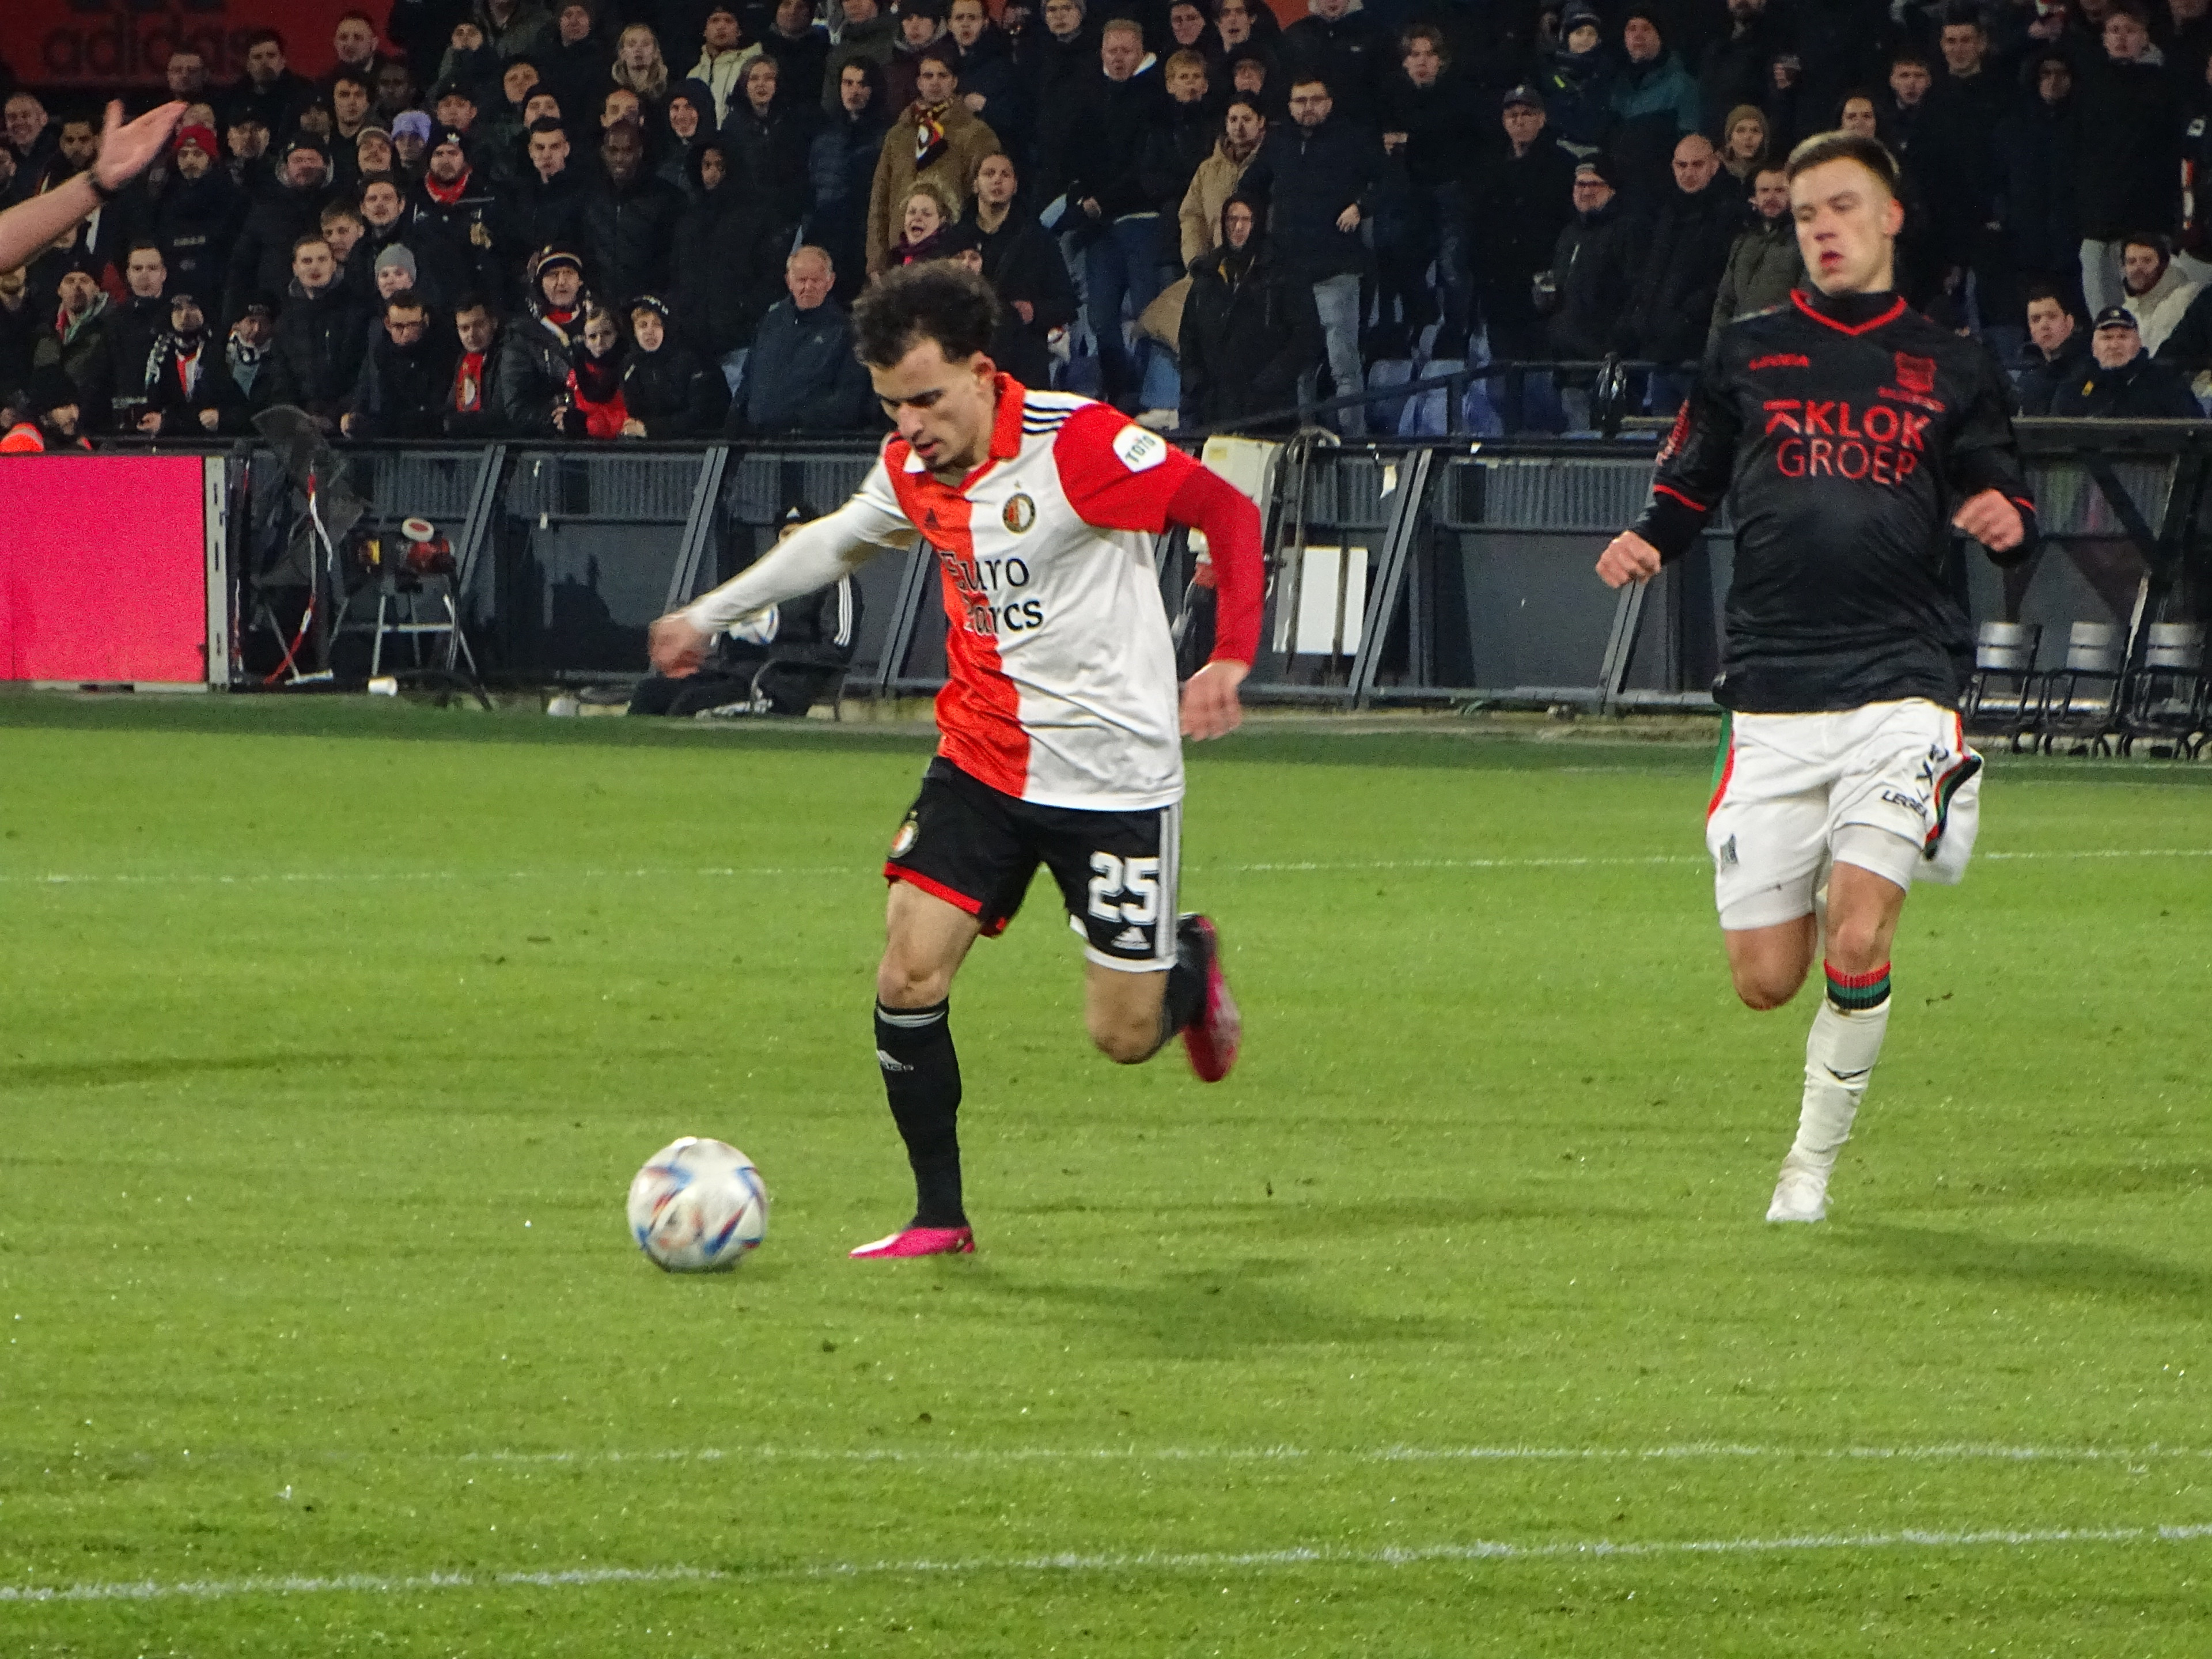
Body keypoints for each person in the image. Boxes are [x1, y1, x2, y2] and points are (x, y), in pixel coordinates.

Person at [649, 262, 1260, 1258]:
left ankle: (1186, 963)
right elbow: (841, 539)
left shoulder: (1083, 445)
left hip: (1111, 780)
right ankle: (940, 1216)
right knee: (907, 975)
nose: (911, 426)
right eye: (893, 406)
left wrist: (1228, 656)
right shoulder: (910, 466)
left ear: (983, 371)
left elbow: (1226, 513)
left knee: (1122, 1036)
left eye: (928, 400)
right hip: (980, 758)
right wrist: (707, 614)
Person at [1595, 131, 2037, 1226]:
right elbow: (1692, 480)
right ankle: (1810, 856)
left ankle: (1807, 1172)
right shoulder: (1747, 353)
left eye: (1842, 207)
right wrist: (1651, 536)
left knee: (1859, 930)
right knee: (1764, 979)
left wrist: (2002, 519)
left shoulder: (1953, 363)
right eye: (1803, 215)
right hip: (1775, 694)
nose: (1822, 229)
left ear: (1892, 219)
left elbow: (2010, 496)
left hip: (1903, 683)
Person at [1237, 74, 1384, 437]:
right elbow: (1249, 188)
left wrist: (1361, 207)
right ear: (1289, 107)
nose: (1308, 107)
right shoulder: (1279, 141)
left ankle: (1353, 441)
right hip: (1291, 271)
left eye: (1315, 100)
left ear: (1329, 103)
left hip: (1337, 268)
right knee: (1297, 366)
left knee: (1343, 366)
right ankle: (1303, 441)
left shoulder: (1352, 137)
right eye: (1300, 101)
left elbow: (1389, 180)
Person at [631, 503, 863, 717]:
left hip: (778, 686)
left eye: (802, 533)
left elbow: (838, 648)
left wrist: (776, 652)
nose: (794, 541)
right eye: (786, 534)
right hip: (733, 674)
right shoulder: (764, 580)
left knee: (689, 704)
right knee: (650, 692)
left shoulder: (837, 580)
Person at [1179, 193, 1321, 429]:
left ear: (1258, 223)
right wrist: (1196, 382)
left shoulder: (1282, 273)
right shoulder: (1207, 274)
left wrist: (1272, 381)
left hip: (1269, 412)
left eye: (1246, 220)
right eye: (1232, 219)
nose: (1238, 227)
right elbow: (1188, 335)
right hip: (1215, 410)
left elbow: (1306, 336)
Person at [0, 100, 183, 279]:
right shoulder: (46, 175)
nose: (76, 147)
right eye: (70, 140)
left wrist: (97, 183)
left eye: (83, 139)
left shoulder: (130, 190)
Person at [864, 47, 997, 276]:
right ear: (918, 82)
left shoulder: (977, 135)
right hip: (897, 257)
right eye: (928, 76)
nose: (935, 82)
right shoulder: (899, 134)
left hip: (948, 256)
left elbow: (983, 201)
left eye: (943, 75)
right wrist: (876, 261)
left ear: (955, 82)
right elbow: (880, 199)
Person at [737, 244, 875, 431]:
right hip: (756, 446)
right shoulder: (770, 323)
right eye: (802, 280)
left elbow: (849, 400)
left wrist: (794, 419)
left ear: (830, 282)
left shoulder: (847, 331)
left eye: (816, 280)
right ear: (789, 282)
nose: (808, 287)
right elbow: (748, 381)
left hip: (810, 447)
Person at [263, 232, 372, 430]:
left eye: (322, 259)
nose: (315, 266)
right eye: (307, 261)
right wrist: (295, 418)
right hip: (300, 431)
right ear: (295, 268)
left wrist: (334, 417)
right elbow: (280, 379)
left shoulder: (357, 313)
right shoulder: (285, 322)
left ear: (334, 264)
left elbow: (363, 376)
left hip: (347, 427)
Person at [2051, 305, 2203, 414]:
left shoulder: (2166, 382)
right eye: (2107, 338)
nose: (2115, 345)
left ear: (2139, 342)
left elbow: (2195, 434)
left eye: (2123, 337)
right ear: (2093, 345)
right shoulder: (2076, 384)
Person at [343, 289, 454, 438]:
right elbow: (365, 389)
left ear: (425, 321)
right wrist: (354, 415)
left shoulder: (444, 351)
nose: (407, 333)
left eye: (414, 325)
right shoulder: (378, 352)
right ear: (388, 324)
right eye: (399, 327)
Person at [138, 290, 247, 435]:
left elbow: (245, 410)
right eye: (178, 309)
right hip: (172, 448)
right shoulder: (159, 355)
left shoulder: (225, 352)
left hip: (216, 444)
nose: (185, 315)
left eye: (193, 308)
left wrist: (222, 417)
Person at [1710, 162, 1802, 335]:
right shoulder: (1743, 242)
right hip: (1738, 349)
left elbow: (1804, 306)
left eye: (1780, 191)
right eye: (1764, 191)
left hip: (1779, 351)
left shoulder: (1804, 242)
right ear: (1755, 197)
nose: (1771, 197)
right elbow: (1725, 303)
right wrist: (1714, 355)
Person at [619, 292, 728, 434]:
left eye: (657, 324)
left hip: (699, 444)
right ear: (633, 331)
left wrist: (651, 429)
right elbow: (636, 416)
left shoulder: (690, 359)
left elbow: (702, 415)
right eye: (643, 325)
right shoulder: (630, 366)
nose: (650, 331)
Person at [1179, 95, 1265, 268]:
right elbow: (1193, 216)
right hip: (1215, 269)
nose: (1239, 127)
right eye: (1233, 119)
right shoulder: (1207, 170)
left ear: (1261, 122)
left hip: (1259, 269)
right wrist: (1197, 260)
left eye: (1246, 119)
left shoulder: (1273, 162)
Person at [2115, 234, 2200, 353]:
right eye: (2131, 262)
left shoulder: (2188, 298)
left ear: (2164, 264)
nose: (2138, 268)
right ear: (2124, 268)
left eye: (2147, 261)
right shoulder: (2125, 312)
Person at [2013, 284, 2089, 414]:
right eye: (2036, 319)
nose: (2044, 325)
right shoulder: (2024, 377)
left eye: (2052, 317)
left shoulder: (2090, 371)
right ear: (2030, 328)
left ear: (2069, 323)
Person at [444, 295, 508, 437]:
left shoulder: (508, 357)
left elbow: (502, 415)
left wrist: (455, 424)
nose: (471, 335)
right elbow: (451, 407)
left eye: (479, 325)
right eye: (464, 328)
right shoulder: (463, 360)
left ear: (494, 323)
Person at [1, 367, 92, 453]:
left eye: (76, 406)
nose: (74, 415)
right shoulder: (23, 440)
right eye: (65, 407)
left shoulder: (78, 440)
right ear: (44, 414)